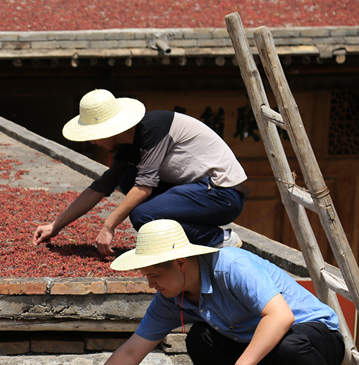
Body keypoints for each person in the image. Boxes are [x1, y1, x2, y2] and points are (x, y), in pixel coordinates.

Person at [50, 219, 359, 365]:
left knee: (288, 345)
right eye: (147, 277)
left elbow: (281, 317)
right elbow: (132, 351)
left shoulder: (232, 266)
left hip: (317, 344)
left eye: (155, 276)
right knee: (199, 338)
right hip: (266, 355)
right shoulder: (172, 299)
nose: (151, 285)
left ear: (181, 264)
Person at [33, 89, 250, 256]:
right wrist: (55, 226)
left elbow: (144, 188)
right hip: (199, 192)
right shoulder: (128, 146)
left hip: (223, 195)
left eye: (94, 135)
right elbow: (99, 187)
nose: (93, 141)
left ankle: (219, 239)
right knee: (127, 179)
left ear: (110, 129)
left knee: (142, 215)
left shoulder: (154, 129)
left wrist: (108, 226)